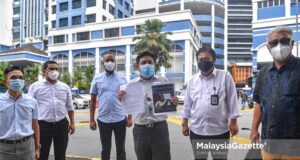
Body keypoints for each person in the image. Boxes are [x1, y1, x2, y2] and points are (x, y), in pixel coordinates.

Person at [250, 26, 300, 159]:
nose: (279, 46)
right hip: (269, 145)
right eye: (274, 43)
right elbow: (259, 104)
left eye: (284, 41)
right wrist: (254, 130)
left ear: (292, 43)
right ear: (268, 47)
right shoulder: (262, 73)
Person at [182, 46, 240, 160]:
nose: (203, 62)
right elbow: (187, 104)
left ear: (214, 59)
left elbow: (232, 101)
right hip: (197, 131)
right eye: (200, 60)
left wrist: (233, 123)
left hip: (219, 131)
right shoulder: (192, 81)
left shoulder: (225, 76)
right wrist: (184, 123)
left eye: (206, 59)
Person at [118, 51, 179, 160]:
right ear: (138, 66)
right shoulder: (131, 85)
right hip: (140, 130)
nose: (147, 65)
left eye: (150, 62)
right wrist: (121, 99)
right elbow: (127, 106)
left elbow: (171, 100)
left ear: (154, 64)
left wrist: (174, 101)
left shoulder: (163, 81)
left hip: (159, 128)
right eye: (143, 62)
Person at [28, 60, 75, 160]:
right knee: (42, 155)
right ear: (44, 70)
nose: (54, 71)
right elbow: (29, 108)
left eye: (56, 69)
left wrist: (72, 123)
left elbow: (70, 106)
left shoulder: (65, 87)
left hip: (61, 124)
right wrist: (30, 127)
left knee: (61, 155)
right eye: (51, 68)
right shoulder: (35, 87)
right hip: (43, 126)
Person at [89, 53, 131, 160]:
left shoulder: (123, 79)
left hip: (120, 119)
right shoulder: (97, 79)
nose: (110, 63)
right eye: (107, 60)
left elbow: (128, 99)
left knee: (121, 148)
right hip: (103, 120)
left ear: (115, 62)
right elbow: (93, 101)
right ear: (103, 63)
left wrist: (130, 117)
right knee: (105, 149)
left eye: (112, 60)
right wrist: (91, 120)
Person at [0, 66, 40, 160]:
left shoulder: (32, 102)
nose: (18, 80)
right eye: (13, 78)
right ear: (5, 82)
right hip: (3, 148)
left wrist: (37, 148)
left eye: (21, 78)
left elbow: (35, 125)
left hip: (27, 147)